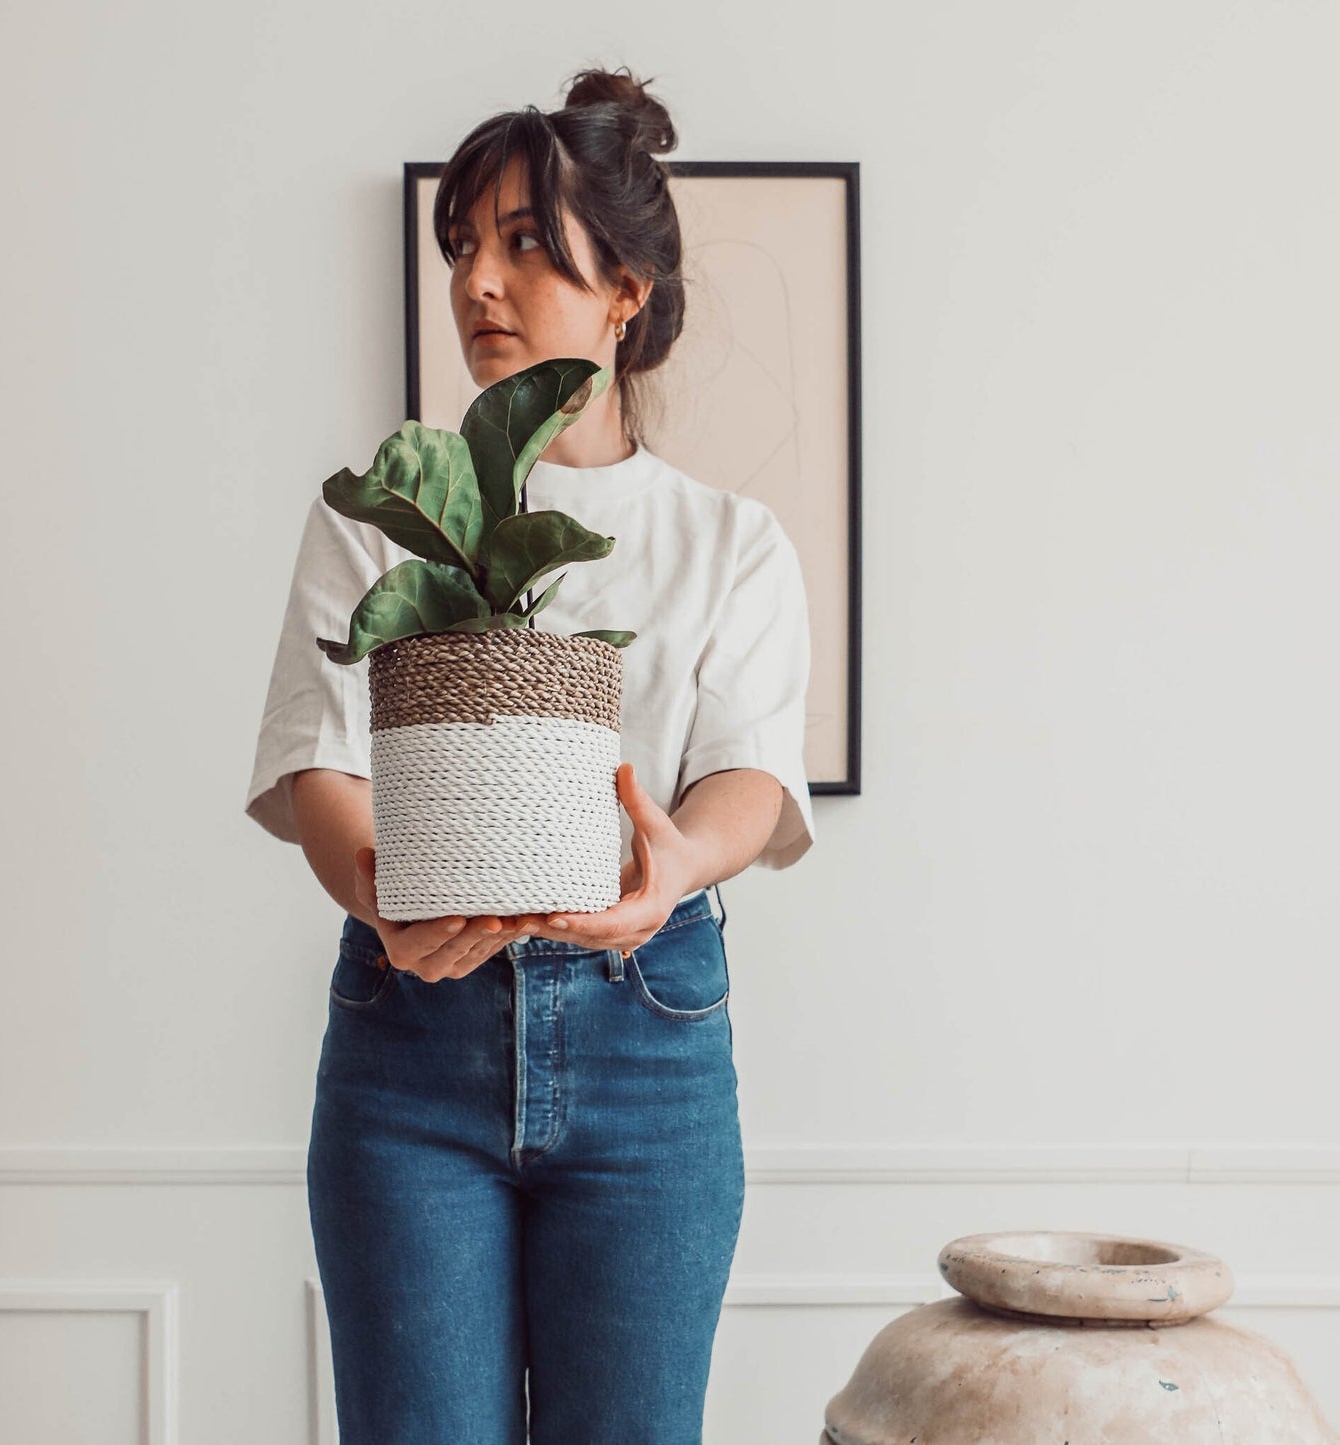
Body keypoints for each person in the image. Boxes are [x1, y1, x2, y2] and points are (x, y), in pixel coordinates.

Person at [243, 65, 816, 1444]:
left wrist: (679, 859)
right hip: (410, 1048)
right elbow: (321, 766)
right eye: (461, 247)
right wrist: (381, 894)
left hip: (649, 1042)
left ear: (623, 288)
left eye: (518, 242)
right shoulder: (384, 511)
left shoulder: (728, 542)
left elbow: (747, 775)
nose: (476, 283)